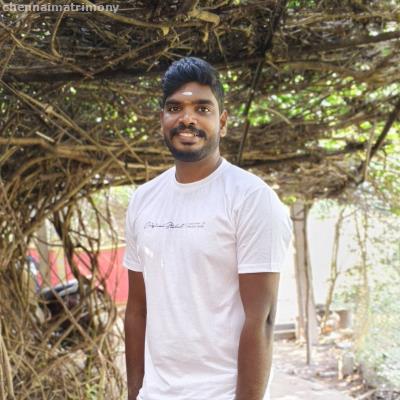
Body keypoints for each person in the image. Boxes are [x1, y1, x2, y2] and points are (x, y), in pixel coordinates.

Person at [123, 57, 293, 400]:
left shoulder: (250, 198)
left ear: (223, 122)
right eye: (175, 108)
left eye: (202, 108)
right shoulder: (143, 200)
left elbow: (261, 319)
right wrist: (134, 393)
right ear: (162, 120)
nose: (187, 118)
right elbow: (137, 309)